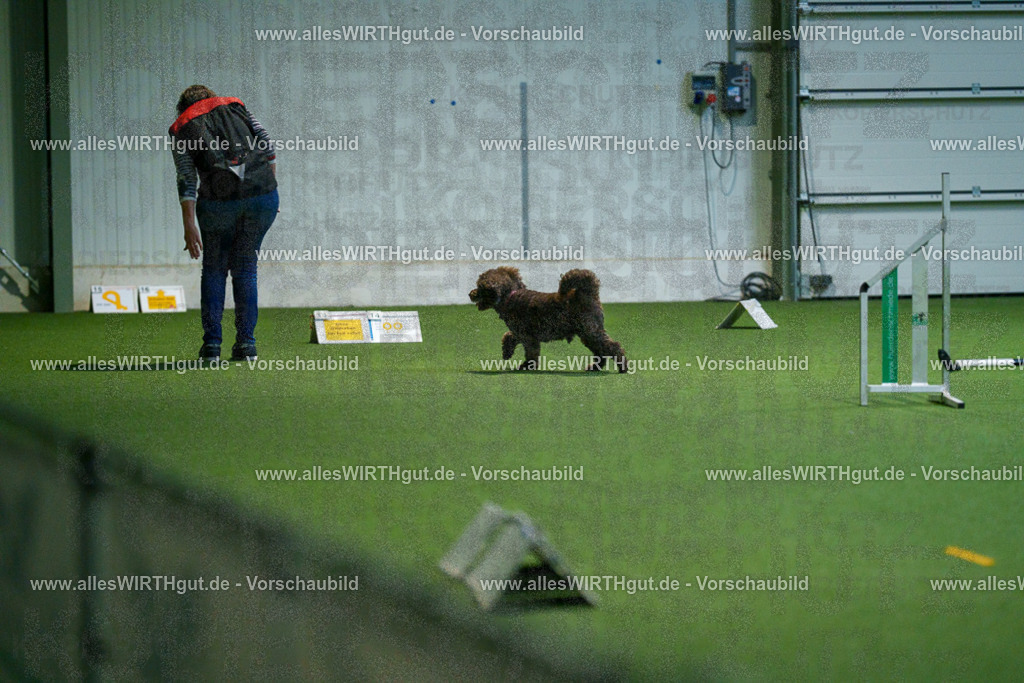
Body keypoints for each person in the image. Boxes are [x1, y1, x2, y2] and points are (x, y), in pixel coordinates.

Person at [169, 85, 279, 362]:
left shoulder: (182, 126)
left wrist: (189, 226)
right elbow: (268, 147)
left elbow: (186, 178)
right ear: (211, 97)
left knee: (215, 271)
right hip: (262, 196)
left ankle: (212, 348)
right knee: (246, 269)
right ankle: (246, 345)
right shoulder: (235, 107)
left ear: (183, 107)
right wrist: (268, 188)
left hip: (218, 203)